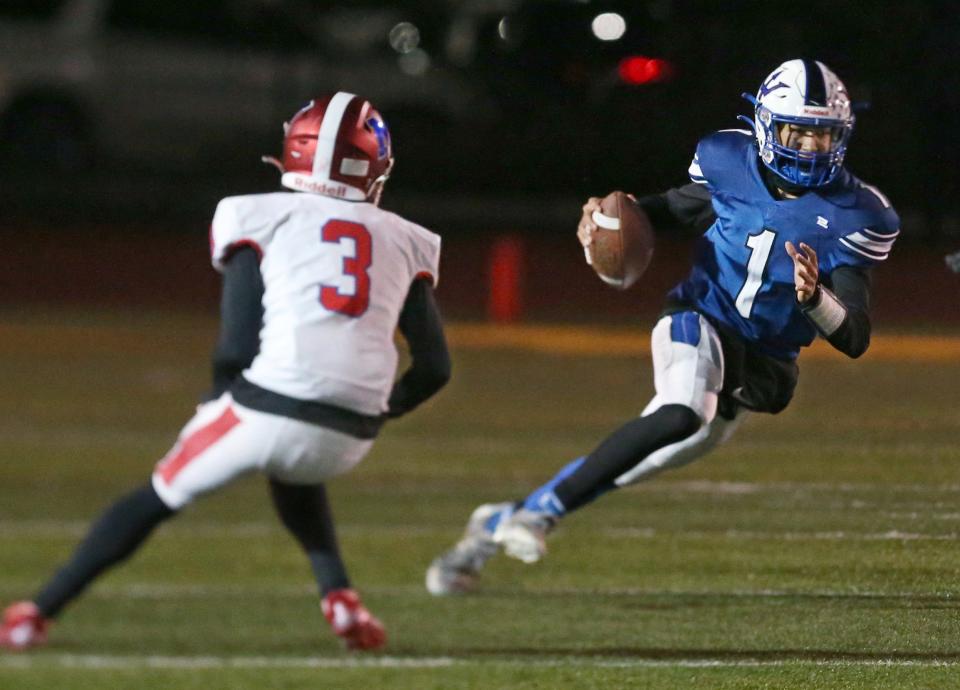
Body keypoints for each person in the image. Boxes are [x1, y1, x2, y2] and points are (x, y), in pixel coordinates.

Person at [426, 59, 899, 595]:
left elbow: (855, 337)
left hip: (760, 362)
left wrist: (816, 300)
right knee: (680, 412)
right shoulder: (728, 159)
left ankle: (497, 522)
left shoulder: (859, 214)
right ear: (767, 126)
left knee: (646, 457)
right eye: (799, 133)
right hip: (699, 315)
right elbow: (674, 209)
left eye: (823, 136)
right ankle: (541, 515)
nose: (811, 149)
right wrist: (611, 218)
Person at [0, 93, 450, 651]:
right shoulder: (408, 237)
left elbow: (236, 340)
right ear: (373, 167)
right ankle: (339, 596)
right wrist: (381, 409)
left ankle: (35, 613)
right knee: (292, 463)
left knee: (158, 493)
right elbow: (435, 368)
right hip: (351, 432)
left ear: (295, 152)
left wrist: (219, 399)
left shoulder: (255, 213)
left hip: (275, 406)